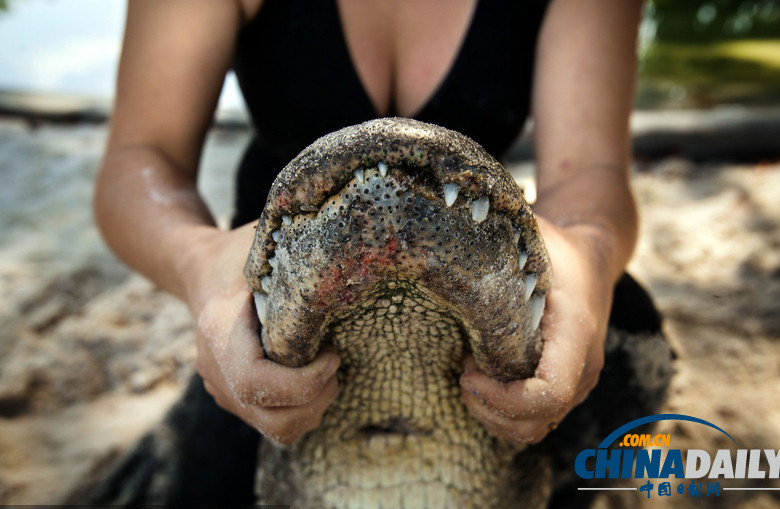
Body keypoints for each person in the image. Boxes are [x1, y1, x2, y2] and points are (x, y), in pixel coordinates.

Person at [94, 0, 667, 502]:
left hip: (480, 287)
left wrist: (589, 256)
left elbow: (589, 170)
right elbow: (141, 158)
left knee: (626, 348)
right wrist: (200, 264)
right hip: (260, 306)